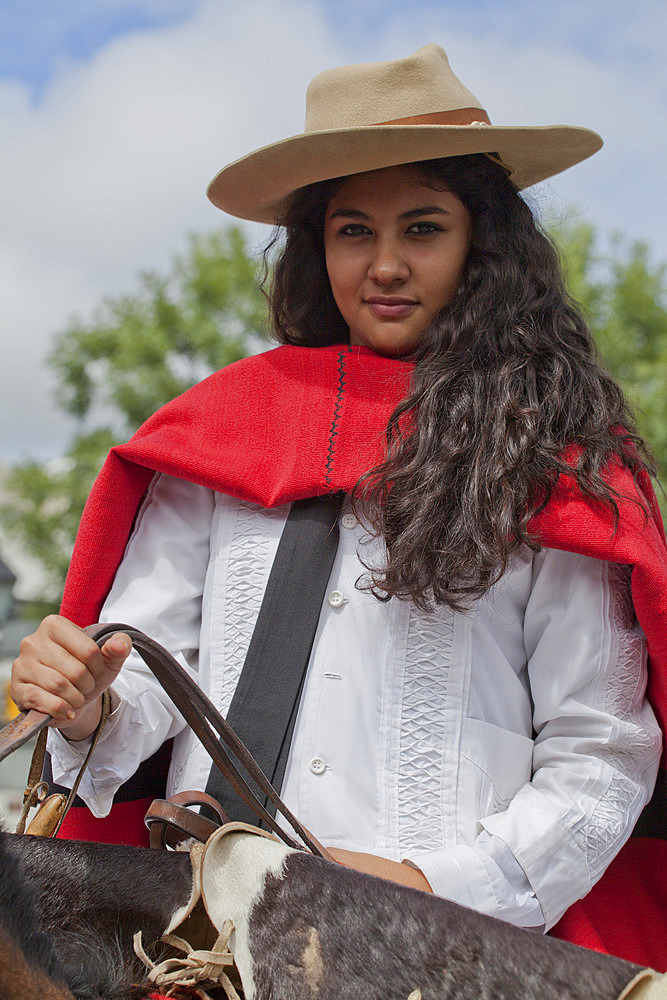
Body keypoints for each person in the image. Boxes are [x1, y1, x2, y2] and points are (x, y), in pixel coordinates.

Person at [11, 45, 667, 964]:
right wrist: (85, 700)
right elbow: (147, 684)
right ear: (318, 249)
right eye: (353, 231)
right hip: (200, 944)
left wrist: (432, 888)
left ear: (485, 246)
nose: (385, 264)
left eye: (424, 229)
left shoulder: (553, 459)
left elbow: (599, 753)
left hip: (451, 952)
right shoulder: (220, 432)